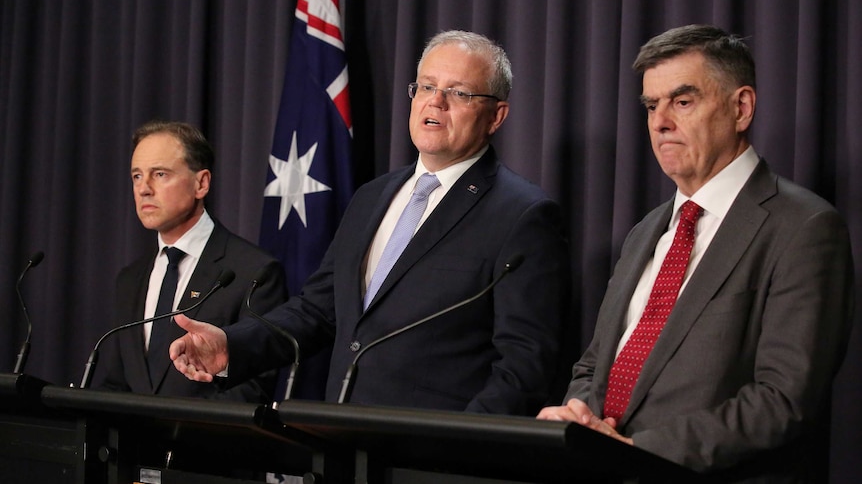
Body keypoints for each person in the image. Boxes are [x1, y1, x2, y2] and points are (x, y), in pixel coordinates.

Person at [169, 31, 570, 415]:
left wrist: (459, 444)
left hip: (436, 461)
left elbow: (525, 364)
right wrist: (230, 346)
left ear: (496, 116)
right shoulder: (371, 198)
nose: (436, 103)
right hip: (344, 442)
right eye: (426, 87)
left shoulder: (521, 214)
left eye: (459, 93)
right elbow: (318, 312)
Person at [537, 24, 855, 481]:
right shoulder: (646, 231)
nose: (660, 121)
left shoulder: (804, 227)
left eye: (682, 102)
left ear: (740, 107)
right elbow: (595, 361)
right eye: (651, 105)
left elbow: (784, 399)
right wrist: (581, 419)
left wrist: (637, 451)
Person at [95, 120, 287, 402]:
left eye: (159, 174)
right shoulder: (130, 279)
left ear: (201, 183)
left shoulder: (253, 272)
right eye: (137, 176)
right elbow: (117, 383)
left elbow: (251, 391)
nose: (144, 189)